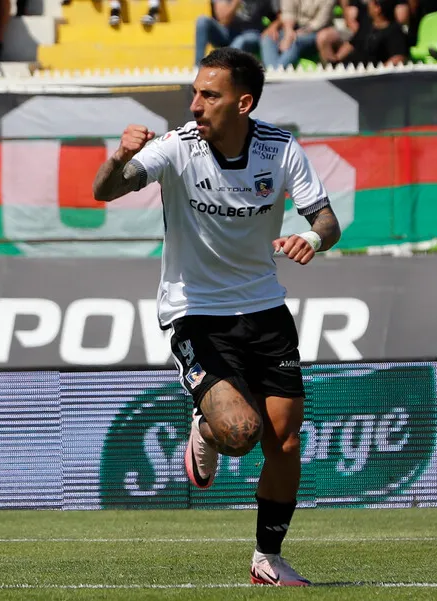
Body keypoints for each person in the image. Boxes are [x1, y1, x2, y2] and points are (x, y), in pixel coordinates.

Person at [92, 47, 341, 586]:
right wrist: (117, 158)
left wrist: (312, 239)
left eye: (210, 95)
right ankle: (205, 428)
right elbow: (103, 191)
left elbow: (327, 220)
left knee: (286, 442)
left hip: (266, 308)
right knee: (240, 432)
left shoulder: (279, 149)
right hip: (195, 312)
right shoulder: (176, 147)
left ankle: (266, 560)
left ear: (243, 103)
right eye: (196, 92)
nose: (196, 104)